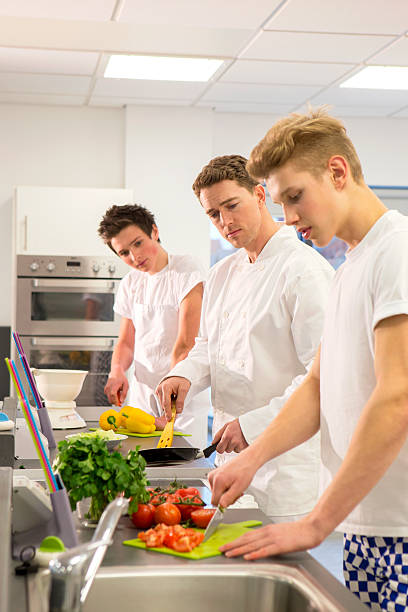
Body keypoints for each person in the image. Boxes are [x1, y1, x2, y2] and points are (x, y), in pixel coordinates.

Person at [207, 110, 408, 611]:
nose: (290, 216)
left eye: (294, 197)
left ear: (337, 173)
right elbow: (319, 384)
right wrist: (251, 459)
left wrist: (316, 522)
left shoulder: (397, 254)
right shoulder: (348, 267)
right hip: (366, 522)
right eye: (281, 202)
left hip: (402, 526)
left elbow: (397, 397)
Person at [156, 155, 334, 518]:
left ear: (259, 194)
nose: (225, 221)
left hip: (284, 467)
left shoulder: (305, 272)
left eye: (231, 205)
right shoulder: (222, 273)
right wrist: (184, 373)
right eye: (214, 214)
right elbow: (209, 347)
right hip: (228, 459)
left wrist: (252, 426)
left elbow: (322, 376)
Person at [98, 204, 210, 449]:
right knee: (140, 476)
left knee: (179, 477)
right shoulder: (130, 283)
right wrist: (116, 371)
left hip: (181, 399)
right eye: (124, 252)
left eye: (138, 243)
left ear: (154, 231)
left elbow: (186, 344)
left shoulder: (187, 270)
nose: (134, 257)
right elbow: (127, 342)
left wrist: (169, 398)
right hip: (141, 400)